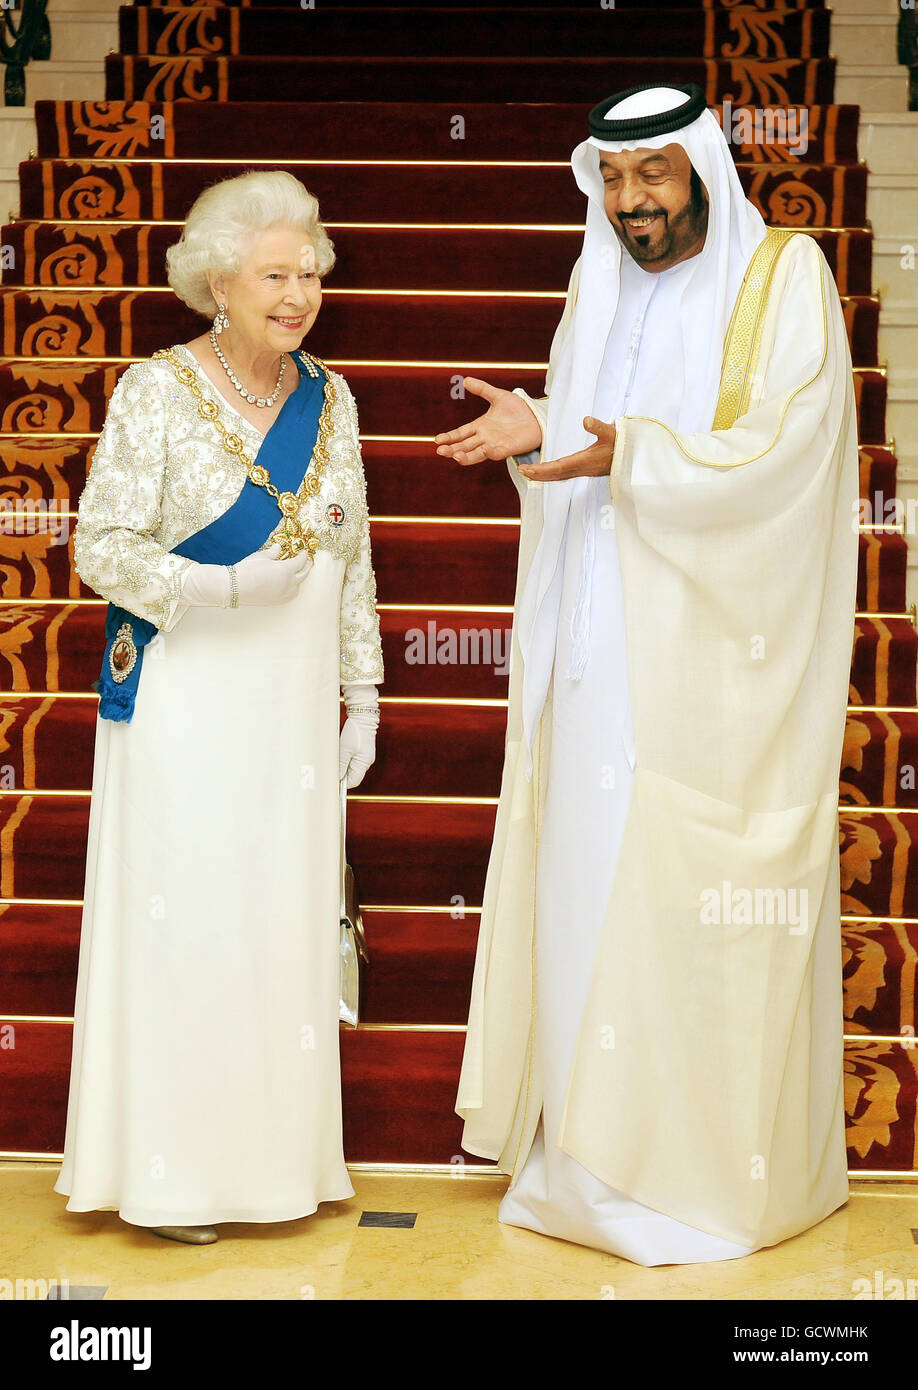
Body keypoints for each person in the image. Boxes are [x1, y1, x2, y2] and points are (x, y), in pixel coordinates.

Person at [436, 84, 859, 1265]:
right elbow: (574, 452)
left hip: (704, 664)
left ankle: (695, 1179)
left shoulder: (786, 279)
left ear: (704, 174)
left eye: (653, 179)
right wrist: (541, 436)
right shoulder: (596, 285)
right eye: (613, 183)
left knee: (679, 901)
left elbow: (791, 446)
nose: (632, 204)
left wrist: (642, 455)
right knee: (581, 888)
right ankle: (581, 1164)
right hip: (587, 651)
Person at [54, 170, 384, 1244]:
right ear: (217, 283)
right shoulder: (155, 392)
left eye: (310, 275)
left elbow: (355, 555)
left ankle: (275, 1165)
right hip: (185, 704)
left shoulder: (331, 399)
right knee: (190, 924)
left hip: (285, 714)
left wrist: (364, 692)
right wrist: (205, 586)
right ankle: (177, 1177)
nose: (297, 295)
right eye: (275, 275)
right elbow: (96, 542)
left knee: (273, 926)